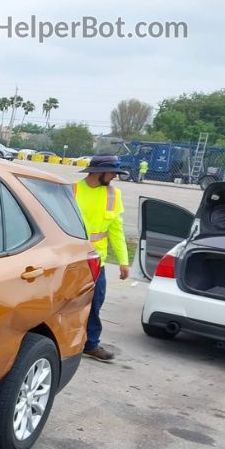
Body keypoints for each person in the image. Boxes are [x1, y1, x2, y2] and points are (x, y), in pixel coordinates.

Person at [74, 155, 130, 362]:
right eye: (113, 171)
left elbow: (117, 231)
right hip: (71, 260)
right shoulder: (71, 191)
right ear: (99, 171)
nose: (115, 176)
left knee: (95, 304)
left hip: (97, 263)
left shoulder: (113, 195)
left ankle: (90, 344)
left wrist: (124, 261)